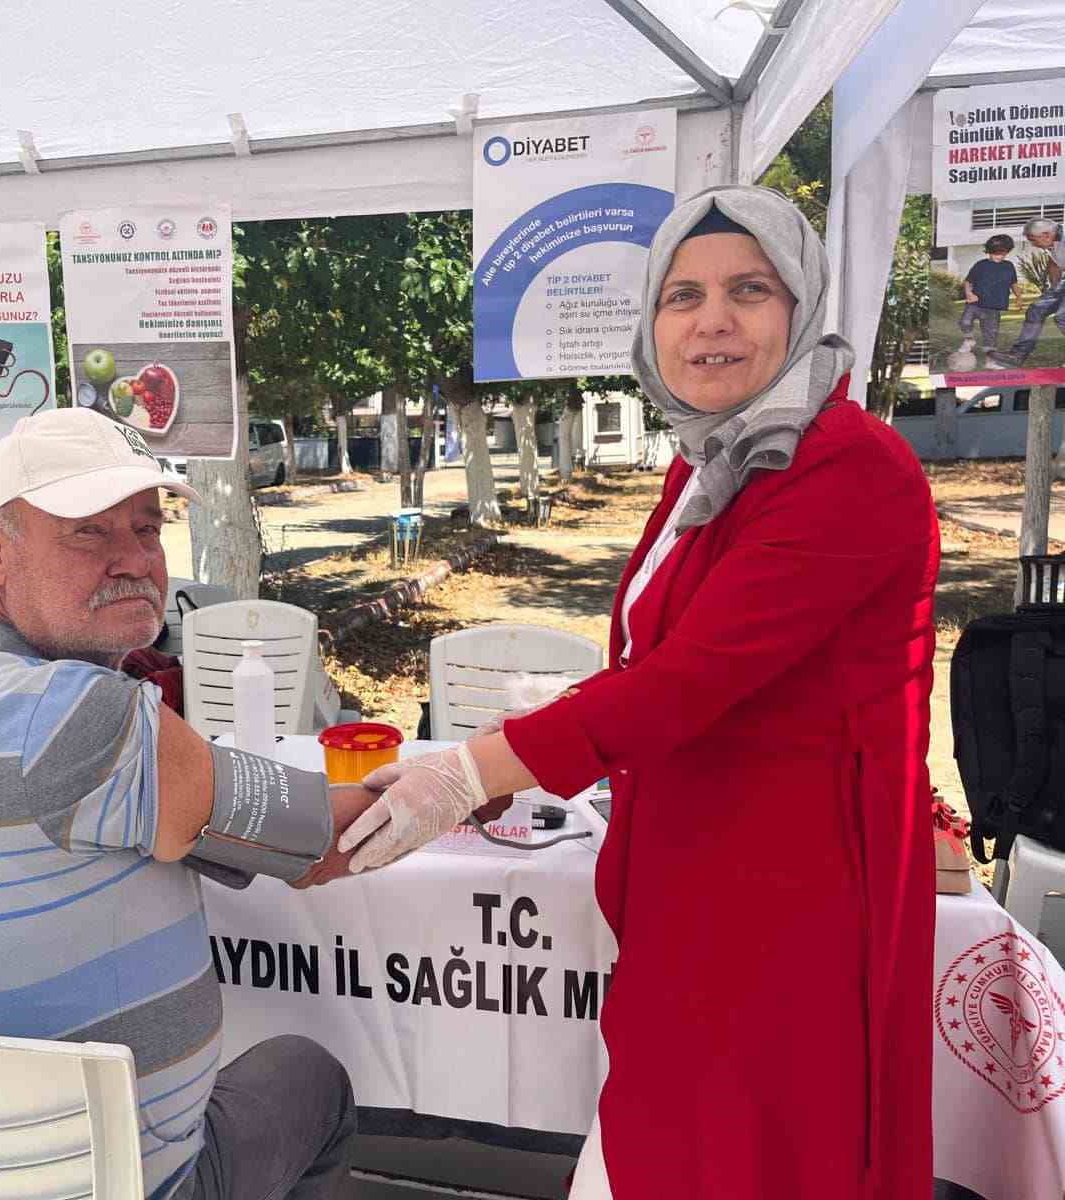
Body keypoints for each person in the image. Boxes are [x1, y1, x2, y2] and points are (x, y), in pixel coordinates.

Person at [340, 187, 939, 1199]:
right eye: (681, 295)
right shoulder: (713, 464)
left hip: (792, 909)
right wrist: (496, 771)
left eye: (748, 290)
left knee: (771, 1153)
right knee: (675, 1142)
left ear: (799, 308)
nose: (711, 320)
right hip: (686, 890)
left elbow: (686, 682)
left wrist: (465, 771)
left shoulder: (850, 467)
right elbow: (642, 673)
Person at [0, 408, 377, 1200]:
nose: (135, 561)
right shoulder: (84, 714)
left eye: (147, 529)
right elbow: (325, 846)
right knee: (309, 1076)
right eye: (89, 532)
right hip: (116, 1186)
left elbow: (197, 809)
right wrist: (473, 780)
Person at [991, 217, 1065, 367]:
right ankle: (1017, 356)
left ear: (1046, 235)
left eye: (1033, 240)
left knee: (1062, 316)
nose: (1033, 244)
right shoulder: (1053, 242)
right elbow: (1055, 263)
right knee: (1036, 310)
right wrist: (1053, 289)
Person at [957, 233, 1019, 359]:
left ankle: (991, 361)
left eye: (1003, 253)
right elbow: (968, 281)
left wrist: (1019, 297)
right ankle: (969, 339)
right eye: (996, 253)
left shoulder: (1009, 266)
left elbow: (1013, 283)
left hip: (993, 307)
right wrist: (969, 294)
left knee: (990, 334)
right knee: (965, 322)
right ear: (989, 251)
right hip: (975, 303)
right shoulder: (980, 265)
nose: (999, 256)